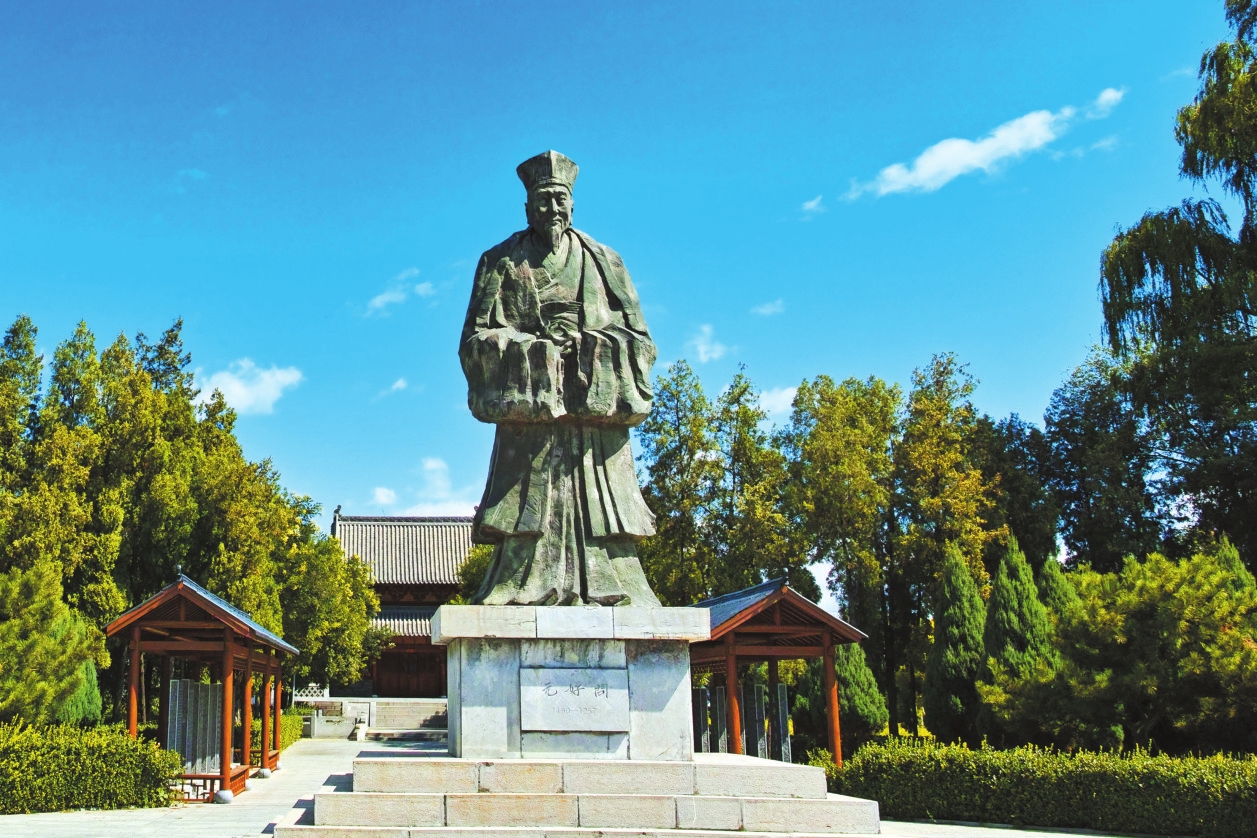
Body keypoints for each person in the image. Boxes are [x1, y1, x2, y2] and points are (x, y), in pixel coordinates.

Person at [459, 150, 661, 606]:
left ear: (573, 204)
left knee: (602, 505)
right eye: (543, 200)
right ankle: (519, 582)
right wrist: (534, 353)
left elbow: (641, 340)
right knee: (527, 508)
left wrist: (592, 350)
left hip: (592, 410)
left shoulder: (605, 261)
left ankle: (613, 579)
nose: (552, 209)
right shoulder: (499, 262)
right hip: (532, 410)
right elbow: (474, 340)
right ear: (527, 207)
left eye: (560, 199)